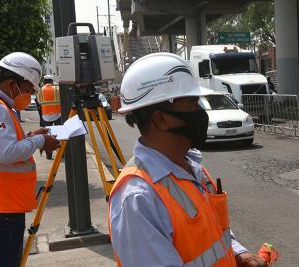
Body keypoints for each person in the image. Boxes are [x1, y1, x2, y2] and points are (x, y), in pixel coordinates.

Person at [109, 53, 267, 267]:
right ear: (161, 119)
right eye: (193, 105)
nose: (202, 114)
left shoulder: (190, 167)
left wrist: (239, 255)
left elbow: (211, 231)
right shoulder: (138, 200)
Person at [0, 52, 60, 267]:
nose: (27, 96)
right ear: (12, 84)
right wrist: (40, 141)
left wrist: (30, 137)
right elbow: (6, 154)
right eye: (27, 90)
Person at [37, 74, 62, 159]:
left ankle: (49, 155)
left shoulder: (40, 91)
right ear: (52, 81)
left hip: (46, 116)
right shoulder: (57, 89)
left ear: (44, 82)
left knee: (48, 136)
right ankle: (61, 154)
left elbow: (40, 103)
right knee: (60, 134)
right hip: (58, 114)